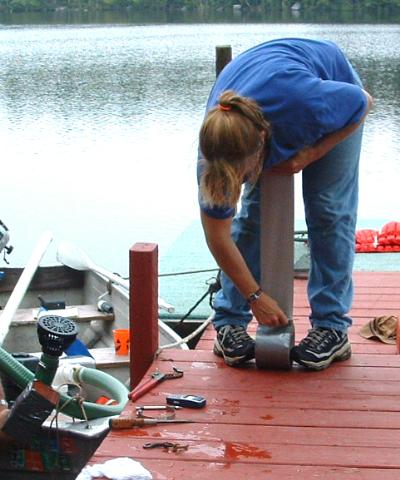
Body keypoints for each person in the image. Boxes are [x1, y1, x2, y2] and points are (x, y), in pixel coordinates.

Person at [197, 38, 373, 370]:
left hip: (330, 89)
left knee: (329, 210)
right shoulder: (216, 149)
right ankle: (229, 322)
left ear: (263, 143)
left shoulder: (307, 104)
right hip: (262, 90)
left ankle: (332, 327)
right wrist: (255, 297)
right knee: (252, 218)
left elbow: (362, 102)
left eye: (245, 174)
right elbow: (217, 236)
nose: (240, 181)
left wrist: (312, 153)